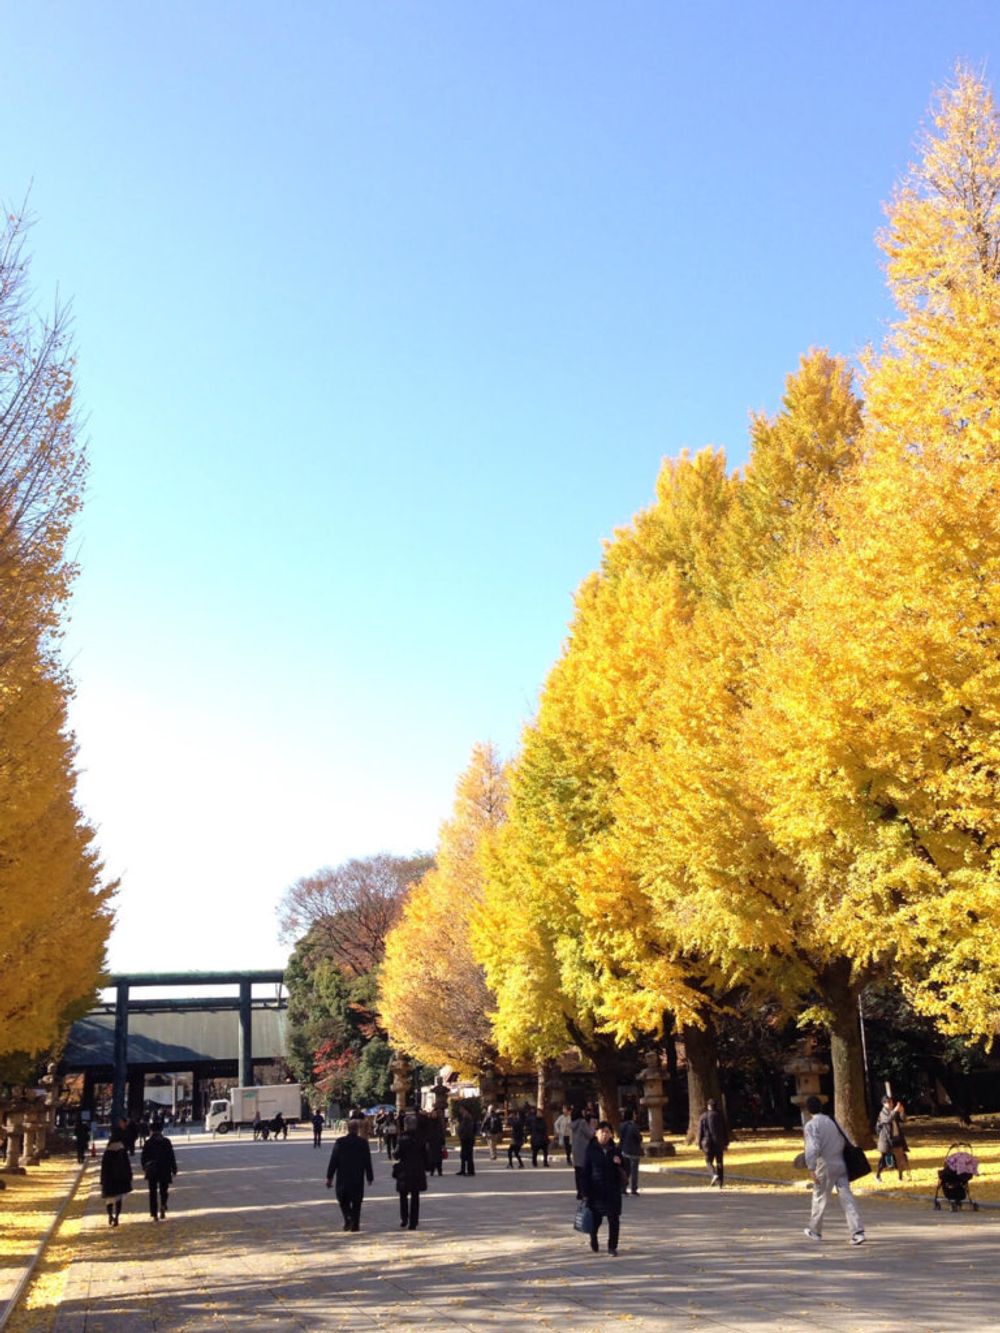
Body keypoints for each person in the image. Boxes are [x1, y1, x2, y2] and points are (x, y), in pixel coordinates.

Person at [802, 1095, 865, 1246]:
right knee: (847, 1198)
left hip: (825, 1164)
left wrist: (811, 1167)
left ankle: (815, 1230)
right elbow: (846, 1138)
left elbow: (812, 1148)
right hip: (840, 1162)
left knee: (819, 1196)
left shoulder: (811, 1125)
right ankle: (857, 1231)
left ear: (808, 1110)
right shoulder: (833, 1121)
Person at [583, 1121, 626, 1255]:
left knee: (614, 1219)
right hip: (596, 1191)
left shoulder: (615, 1150)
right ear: (596, 1133)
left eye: (607, 1132)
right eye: (602, 1132)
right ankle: (593, 1236)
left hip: (613, 1190)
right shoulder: (591, 1150)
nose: (605, 1135)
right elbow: (585, 1172)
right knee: (597, 1219)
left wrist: (620, 1163)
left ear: (611, 1134)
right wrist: (584, 1192)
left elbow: (625, 1169)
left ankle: (612, 1247)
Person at [325, 1115, 374, 1232]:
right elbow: (367, 1161)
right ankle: (354, 1223)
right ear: (357, 1129)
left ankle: (349, 1218)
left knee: (342, 1199)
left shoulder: (340, 1142)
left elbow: (333, 1160)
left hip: (343, 1176)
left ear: (348, 1129)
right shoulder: (363, 1143)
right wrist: (369, 1177)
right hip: (357, 1176)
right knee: (357, 1201)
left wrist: (329, 1177)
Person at [394, 1112, 429, 1230]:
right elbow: (425, 1155)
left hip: (404, 1170)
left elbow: (396, 1155)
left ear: (405, 1125)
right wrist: (426, 1167)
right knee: (415, 1195)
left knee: (403, 1195)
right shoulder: (421, 1138)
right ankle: (414, 1221)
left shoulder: (402, 1139)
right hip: (417, 1169)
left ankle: (404, 1219)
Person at [140, 1122, 178, 1221]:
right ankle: (163, 1205)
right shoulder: (166, 1141)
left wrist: (144, 1167)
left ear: (151, 1130)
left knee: (152, 1192)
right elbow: (171, 1156)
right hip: (165, 1168)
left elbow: (143, 1157)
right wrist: (174, 1168)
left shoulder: (148, 1142)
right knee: (164, 1190)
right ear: (161, 1130)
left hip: (152, 1169)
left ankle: (154, 1214)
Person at [101, 1128, 133, 1227]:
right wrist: (129, 1175)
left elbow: (104, 1166)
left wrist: (102, 1179)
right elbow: (127, 1165)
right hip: (120, 1178)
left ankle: (110, 1215)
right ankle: (117, 1217)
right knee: (118, 1199)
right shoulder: (122, 1150)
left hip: (109, 1178)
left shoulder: (107, 1151)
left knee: (109, 1199)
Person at [697, 1098, 730, 1188]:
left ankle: (714, 1174)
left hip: (707, 1142)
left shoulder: (703, 1116)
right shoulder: (720, 1116)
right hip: (719, 1142)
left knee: (708, 1161)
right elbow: (725, 1130)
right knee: (719, 1162)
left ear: (708, 1106)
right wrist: (726, 1143)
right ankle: (720, 1183)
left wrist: (699, 1143)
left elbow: (700, 1132)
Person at [875, 1095, 909, 1181]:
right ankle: (878, 1175)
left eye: (891, 1102)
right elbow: (888, 1120)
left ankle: (900, 1177)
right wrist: (895, 1110)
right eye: (888, 1102)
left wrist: (902, 1111)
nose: (891, 1104)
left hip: (897, 1138)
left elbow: (904, 1120)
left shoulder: (894, 1111)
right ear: (884, 1104)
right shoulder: (882, 1113)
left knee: (900, 1158)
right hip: (886, 1140)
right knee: (885, 1160)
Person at [571, 1110, 596, 1199]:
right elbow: (589, 1135)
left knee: (577, 1171)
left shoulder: (573, 1124)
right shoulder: (582, 1122)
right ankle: (584, 1191)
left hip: (575, 1149)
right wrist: (593, 1127)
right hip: (583, 1149)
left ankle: (579, 1191)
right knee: (584, 1171)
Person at [618, 1109, 642, 1195]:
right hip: (634, 1151)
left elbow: (621, 1138)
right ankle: (633, 1189)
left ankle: (623, 1188)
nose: (635, 1116)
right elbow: (639, 1138)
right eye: (634, 1114)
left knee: (626, 1171)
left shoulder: (621, 1126)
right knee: (634, 1171)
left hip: (624, 1150)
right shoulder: (634, 1126)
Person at [456, 1106, 478, 1176]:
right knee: (463, 1155)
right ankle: (463, 1170)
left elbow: (469, 1129)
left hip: (468, 1139)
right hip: (464, 1139)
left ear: (465, 1110)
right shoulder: (463, 1118)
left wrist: (463, 1135)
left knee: (469, 1155)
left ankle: (470, 1171)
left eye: (461, 1109)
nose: (460, 1110)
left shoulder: (468, 1118)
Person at [425, 1107, 446, 1176]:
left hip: (438, 1142)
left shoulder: (439, 1123)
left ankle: (440, 1170)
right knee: (431, 1158)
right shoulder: (428, 1122)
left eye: (435, 1114)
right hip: (431, 1142)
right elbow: (427, 1133)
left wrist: (443, 1143)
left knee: (439, 1158)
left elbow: (442, 1133)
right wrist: (427, 1142)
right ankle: (432, 1170)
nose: (434, 1115)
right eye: (433, 1114)